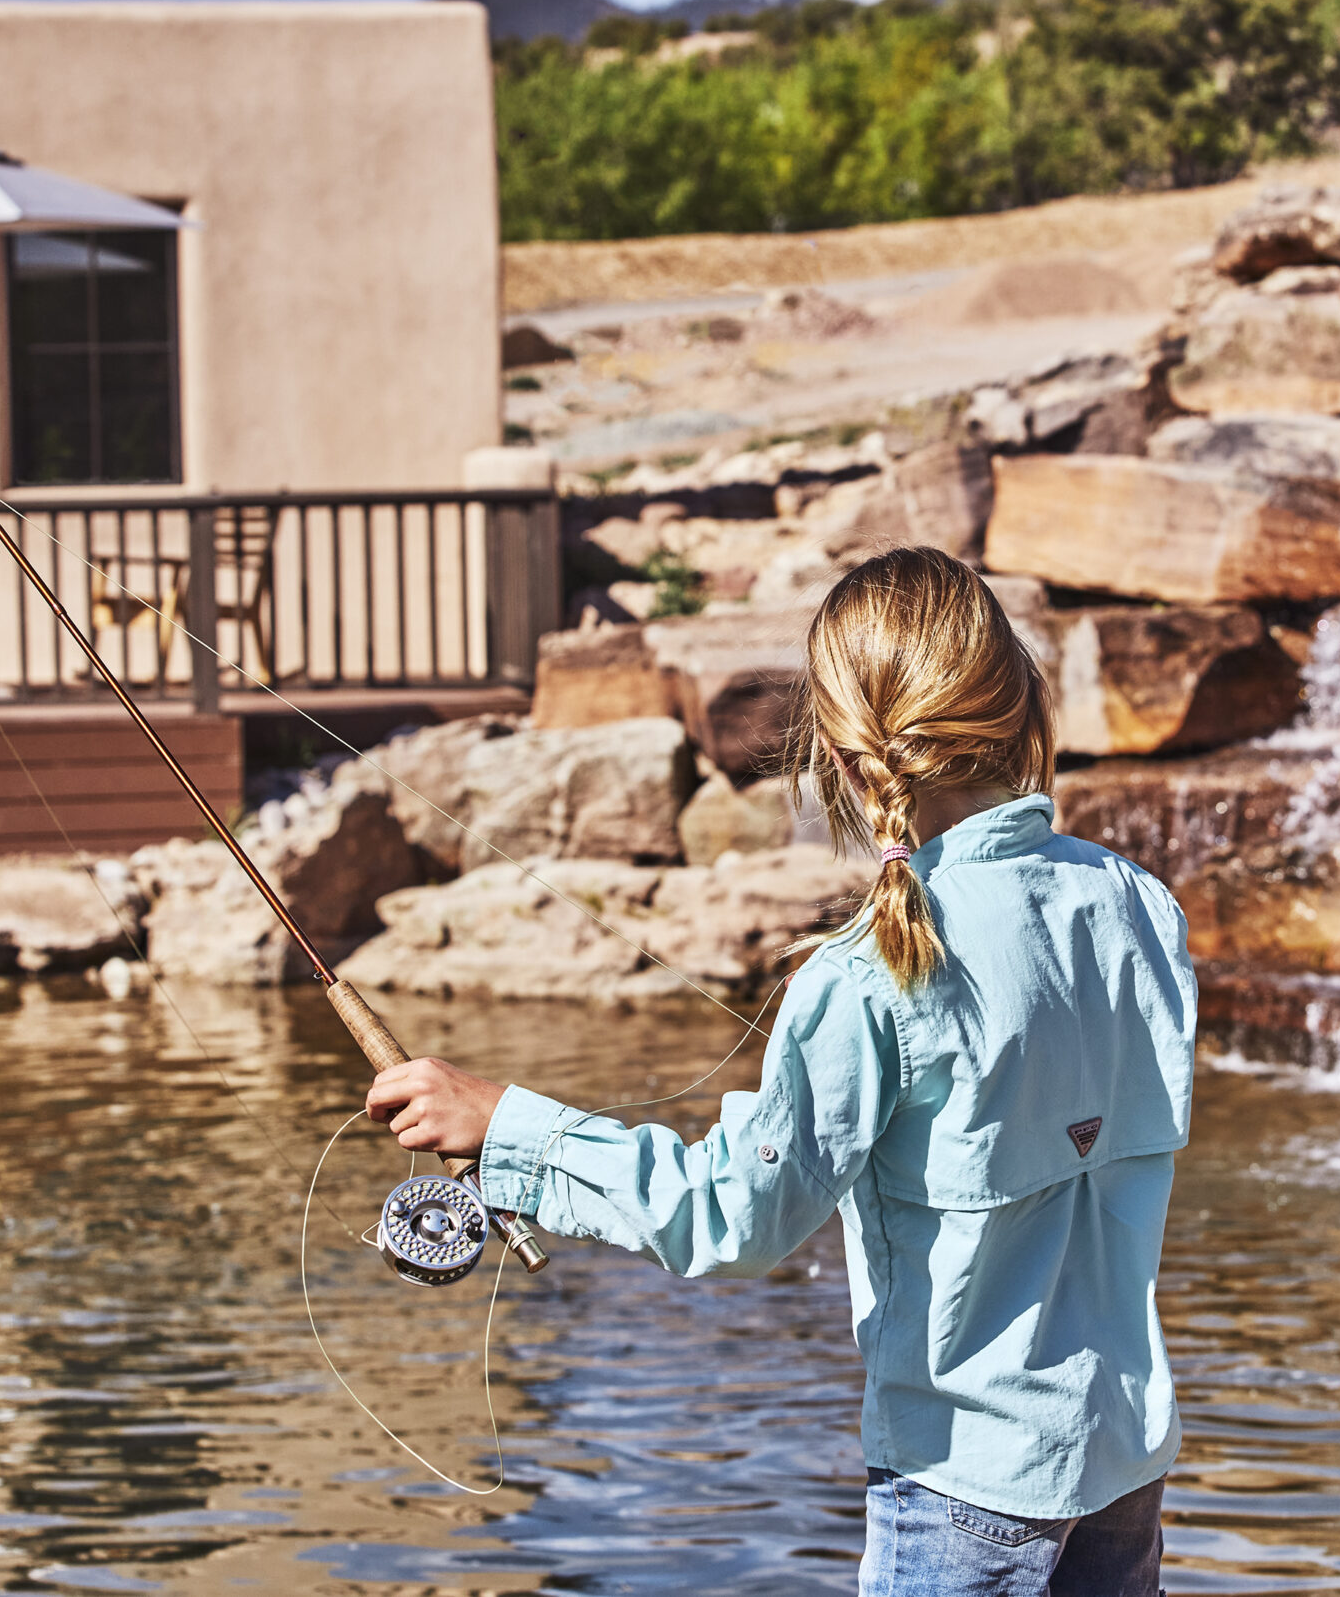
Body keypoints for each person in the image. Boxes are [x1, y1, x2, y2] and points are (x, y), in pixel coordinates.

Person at [368, 546, 1197, 1597]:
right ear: (1019, 701)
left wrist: (508, 1127)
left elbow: (736, 1216)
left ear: (845, 762)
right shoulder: (1141, 907)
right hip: (1124, 1470)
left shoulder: (869, 971)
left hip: (961, 1490)